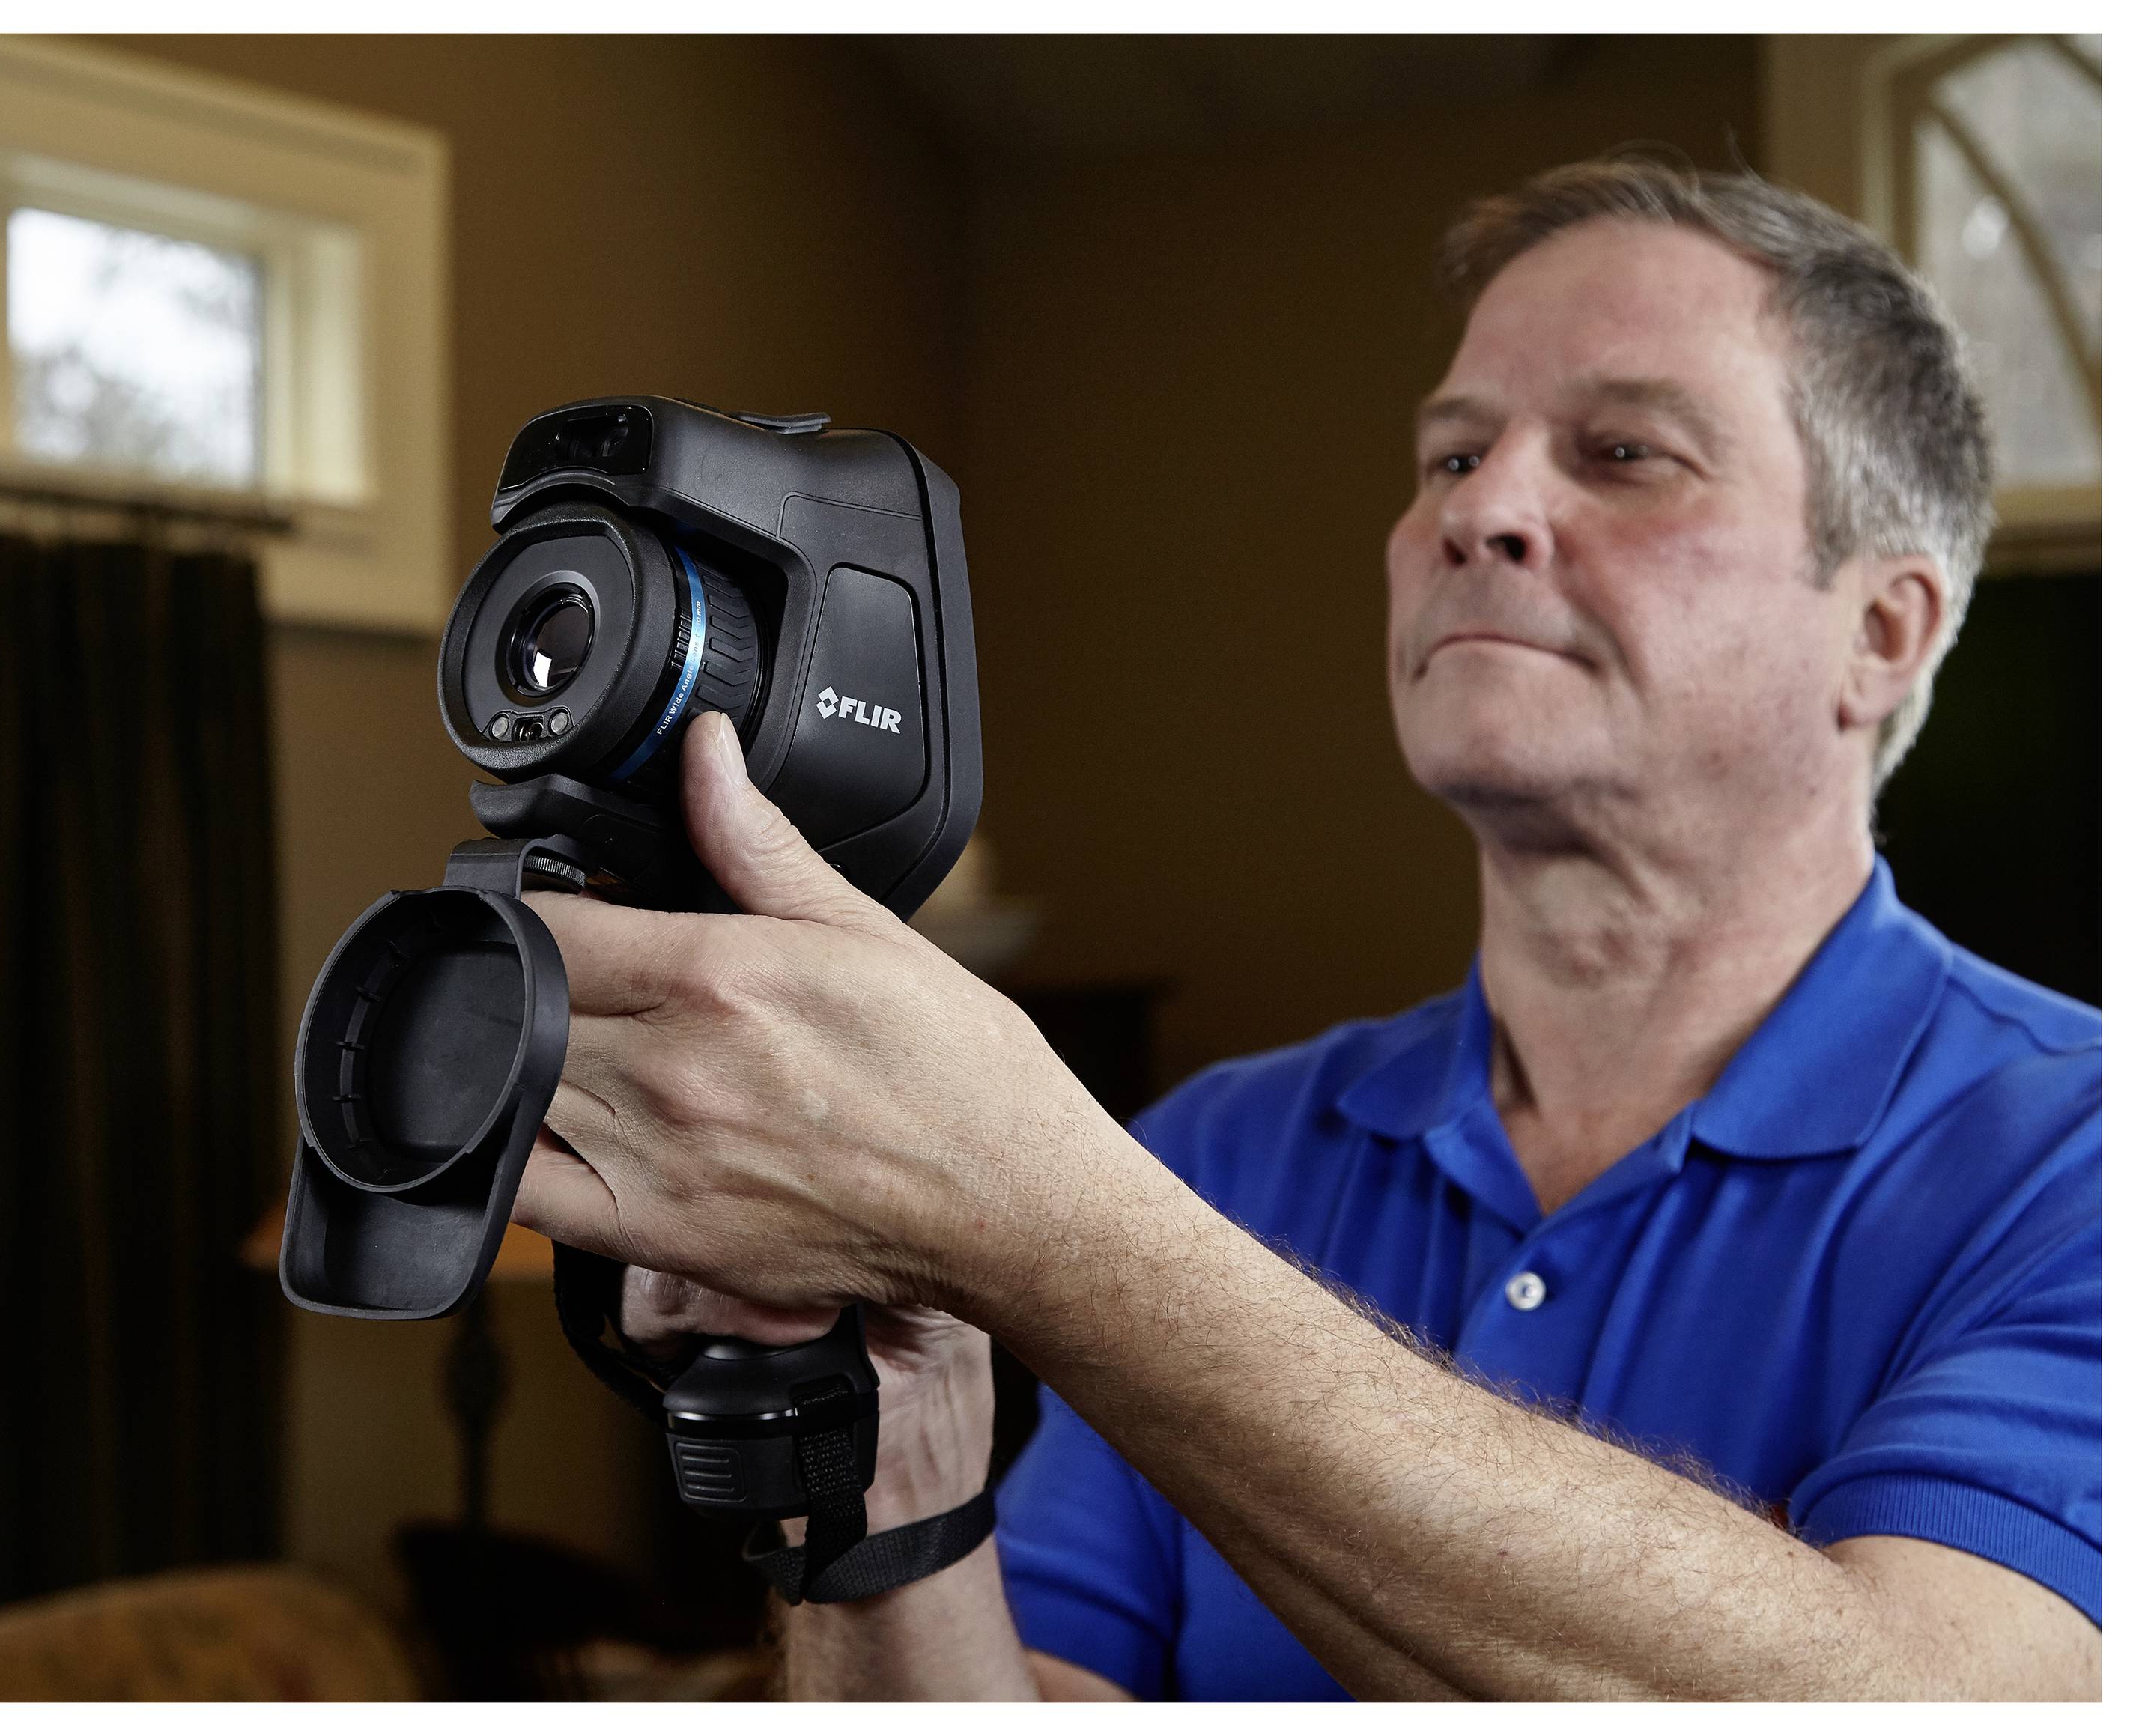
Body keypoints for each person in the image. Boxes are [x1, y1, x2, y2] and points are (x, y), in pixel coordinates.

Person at [510, 160, 2101, 1700]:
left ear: (1882, 632)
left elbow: (1928, 1692)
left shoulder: (2085, 1157)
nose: (1485, 512)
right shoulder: (1220, 1148)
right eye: (1453, 457)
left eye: (1622, 452)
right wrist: (882, 1453)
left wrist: (1042, 1222)